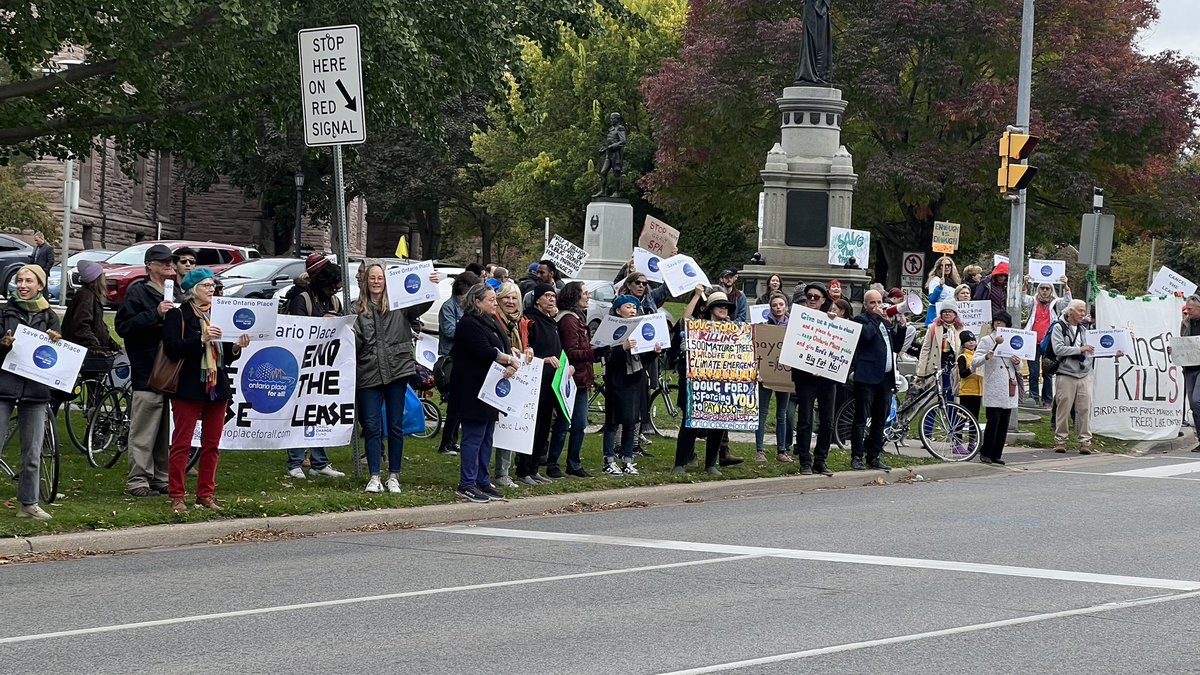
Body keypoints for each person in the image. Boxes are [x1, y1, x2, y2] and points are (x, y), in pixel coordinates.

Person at [162, 269, 249, 512]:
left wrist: (235, 347)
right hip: (188, 386)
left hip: (216, 387)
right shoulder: (178, 315)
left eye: (213, 285)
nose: (211, 290)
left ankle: (206, 494)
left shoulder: (220, 315)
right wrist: (201, 339)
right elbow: (173, 349)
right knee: (182, 443)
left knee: (212, 444)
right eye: (206, 286)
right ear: (192, 291)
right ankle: (177, 495)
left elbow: (226, 358)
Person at [355, 259, 439, 493]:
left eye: (380, 277)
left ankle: (394, 475)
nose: (376, 282)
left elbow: (422, 303)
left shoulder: (399, 304)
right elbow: (354, 343)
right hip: (368, 374)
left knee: (395, 426)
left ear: (386, 281)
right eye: (372, 277)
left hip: (397, 371)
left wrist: (430, 286)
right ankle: (374, 476)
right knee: (372, 427)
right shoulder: (357, 309)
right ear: (365, 280)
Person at [115, 244, 181, 498]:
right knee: (144, 430)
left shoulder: (175, 292)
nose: (170, 266)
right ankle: (138, 480)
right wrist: (156, 313)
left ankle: (160, 477)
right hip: (147, 371)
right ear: (150, 266)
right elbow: (124, 327)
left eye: (171, 262)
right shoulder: (138, 293)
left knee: (164, 429)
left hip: (171, 371)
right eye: (164, 262)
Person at [0, 265, 62, 519]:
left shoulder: (49, 316)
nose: (23, 285)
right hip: (3, 389)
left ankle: (28, 504)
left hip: (36, 392)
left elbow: (60, 354)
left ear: (41, 286)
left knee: (33, 451)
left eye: (29, 281)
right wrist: (3, 345)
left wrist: (58, 340)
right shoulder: (4, 312)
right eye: (20, 281)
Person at [283, 253, 346, 480]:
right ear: (322, 283)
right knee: (301, 413)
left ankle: (320, 462)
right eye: (332, 287)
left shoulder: (335, 302)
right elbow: (295, 331)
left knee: (319, 414)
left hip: (325, 365)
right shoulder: (303, 299)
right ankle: (295, 462)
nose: (335, 292)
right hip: (302, 365)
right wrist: (321, 323)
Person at [450, 283, 513, 504]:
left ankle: (482, 480)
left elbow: (503, 348)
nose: (495, 303)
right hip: (472, 389)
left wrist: (509, 360)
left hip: (490, 389)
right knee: (473, 437)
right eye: (491, 299)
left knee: (487, 438)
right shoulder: (468, 324)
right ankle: (467, 483)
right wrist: (508, 360)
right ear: (477, 302)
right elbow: (485, 351)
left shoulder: (492, 321)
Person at [672, 286, 732, 476]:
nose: (724, 309)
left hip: (722, 384)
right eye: (719, 305)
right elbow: (685, 321)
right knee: (690, 423)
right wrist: (697, 295)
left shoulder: (734, 330)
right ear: (710, 307)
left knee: (718, 424)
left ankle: (711, 464)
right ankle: (680, 463)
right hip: (697, 384)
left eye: (726, 306)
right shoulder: (698, 326)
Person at [600, 294, 658, 475]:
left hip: (636, 380)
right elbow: (606, 357)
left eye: (634, 307)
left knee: (631, 422)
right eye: (628, 307)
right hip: (617, 381)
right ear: (618, 310)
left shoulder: (639, 329)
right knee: (613, 422)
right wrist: (622, 348)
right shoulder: (611, 329)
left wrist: (654, 352)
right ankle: (609, 460)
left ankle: (628, 459)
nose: (632, 310)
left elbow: (643, 358)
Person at [849, 290, 906, 472]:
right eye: (872, 303)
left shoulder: (884, 322)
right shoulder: (862, 320)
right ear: (865, 305)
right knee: (861, 418)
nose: (877, 306)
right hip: (866, 377)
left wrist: (901, 327)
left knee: (880, 419)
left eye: (879, 302)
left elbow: (895, 346)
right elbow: (866, 336)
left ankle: (873, 456)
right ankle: (857, 457)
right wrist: (877, 317)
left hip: (884, 379)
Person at [516, 282, 565, 484]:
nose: (552, 299)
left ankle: (535, 467)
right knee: (532, 427)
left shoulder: (551, 321)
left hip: (550, 384)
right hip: (535, 382)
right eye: (547, 295)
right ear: (537, 299)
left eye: (553, 295)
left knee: (544, 427)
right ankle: (523, 470)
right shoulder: (530, 320)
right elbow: (526, 351)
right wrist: (543, 360)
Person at [792, 283, 842, 476]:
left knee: (827, 420)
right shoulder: (798, 318)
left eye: (816, 297)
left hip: (827, 378)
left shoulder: (832, 319)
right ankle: (805, 460)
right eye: (809, 297)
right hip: (805, 377)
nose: (812, 300)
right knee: (805, 419)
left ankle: (821, 460)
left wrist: (835, 321)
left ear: (823, 300)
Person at [550, 282, 596, 478]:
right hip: (571, 379)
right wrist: (595, 352)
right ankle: (554, 462)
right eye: (585, 293)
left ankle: (573, 462)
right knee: (565, 423)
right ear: (574, 296)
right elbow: (571, 352)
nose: (588, 297)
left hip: (580, 378)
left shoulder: (578, 317)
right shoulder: (569, 320)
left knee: (578, 424)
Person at [491, 281, 530, 487]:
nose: (511, 301)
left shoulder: (521, 322)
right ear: (497, 300)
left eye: (514, 298)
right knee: (491, 428)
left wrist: (528, 349)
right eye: (506, 297)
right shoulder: (493, 320)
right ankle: (483, 473)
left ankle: (503, 472)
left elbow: (524, 345)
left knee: (509, 428)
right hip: (496, 377)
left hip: (515, 378)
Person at [437, 271, 480, 457]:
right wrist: (468, 330)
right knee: (454, 404)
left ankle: (453, 440)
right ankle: (446, 442)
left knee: (462, 404)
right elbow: (449, 331)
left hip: (466, 358)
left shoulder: (468, 309)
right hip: (451, 358)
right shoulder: (448, 307)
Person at [973, 312, 1020, 464]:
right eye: (997, 322)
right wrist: (986, 357)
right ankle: (986, 452)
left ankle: (997, 454)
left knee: (1004, 422)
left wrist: (1017, 361)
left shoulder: (1013, 340)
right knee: (993, 420)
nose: (999, 324)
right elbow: (975, 361)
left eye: (1002, 322)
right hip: (994, 384)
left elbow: (1020, 367)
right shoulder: (987, 340)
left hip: (1008, 384)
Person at [1051, 299, 1096, 455]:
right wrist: (1080, 349)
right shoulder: (1058, 327)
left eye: (1084, 311)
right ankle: (1060, 440)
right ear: (1070, 312)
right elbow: (1058, 349)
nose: (1083, 314)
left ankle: (1085, 442)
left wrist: (1112, 352)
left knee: (1085, 408)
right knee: (1063, 408)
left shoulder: (1085, 330)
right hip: (1066, 373)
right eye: (1080, 310)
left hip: (1084, 374)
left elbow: (1093, 350)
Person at [755, 292, 796, 465]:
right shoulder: (763, 326)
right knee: (762, 413)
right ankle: (759, 450)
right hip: (766, 376)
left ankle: (782, 450)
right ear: (770, 308)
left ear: (786, 306)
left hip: (785, 376)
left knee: (782, 414)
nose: (778, 308)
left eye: (781, 305)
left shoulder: (793, 328)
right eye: (774, 305)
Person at [1023, 277, 1072, 408]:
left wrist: (1066, 285)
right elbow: (1023, 299)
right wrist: (1025, 284)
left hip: (1048, 343)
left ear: (1051, 290)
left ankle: (1047, 400)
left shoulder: (1056, 303)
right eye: (1042, 288)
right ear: (1038, 289)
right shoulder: (1033, 301)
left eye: (1047, 288)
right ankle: (1033, 399)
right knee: (1033, 372)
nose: (1044, 291)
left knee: (1047, 373)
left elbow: (1068, 301)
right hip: (1032, 341)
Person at [62, 259, 119, 372]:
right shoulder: (86, 296)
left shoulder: (89, 295)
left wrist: (111, 342)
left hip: (89, 351)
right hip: (86, 353)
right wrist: (96, 347)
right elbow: (82, 326)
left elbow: (98, 325)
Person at [917, 302, 962, 401]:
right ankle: (929, 416)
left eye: (950, 311)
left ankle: (951, 416)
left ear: (955, 314)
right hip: (936, 366)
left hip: (952, 367)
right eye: (944, 312)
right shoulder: (933, 327)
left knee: (951, 394)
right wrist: (921, 371)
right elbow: (925, 349)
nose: (947, 314)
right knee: (933, 396)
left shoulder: (959, 329)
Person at [1181, 295, 1200, 452]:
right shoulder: (1186, 323)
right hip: (1189, 368)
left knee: (1197, 400)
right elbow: (1182, 342)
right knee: (1194, 405)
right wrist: (1174, 351)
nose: (1187, 311)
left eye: (1190, 309)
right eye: (1186, 308)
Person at [924, 256, 961, 325]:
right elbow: (932, 299)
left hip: (950, 317)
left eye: (949, 265)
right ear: (939, 267)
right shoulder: (935, 280)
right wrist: (940, 287)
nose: (947, 267)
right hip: (936, 315)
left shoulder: (954, 282)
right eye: (943, 265)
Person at [956, 331, 983, 420]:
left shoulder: (978, 356)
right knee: (962, 417)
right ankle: (957, 433)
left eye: (973, 340)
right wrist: (971, 369)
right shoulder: (962, 356)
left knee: (974, 418)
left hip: (978, 391)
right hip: (966, 391)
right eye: (968, 341)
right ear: (963, 344)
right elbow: (962, 374)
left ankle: (973, 434)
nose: (971, 343)